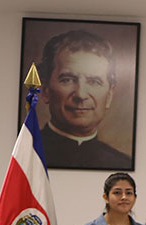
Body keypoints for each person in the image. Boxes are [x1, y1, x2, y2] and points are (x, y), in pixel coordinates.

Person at [38, 29, 131, 169]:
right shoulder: (25, 158)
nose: (81, 95)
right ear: (45, 90)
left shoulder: (122, 163)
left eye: (94, 81)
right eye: (68, 80)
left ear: (109, 95)